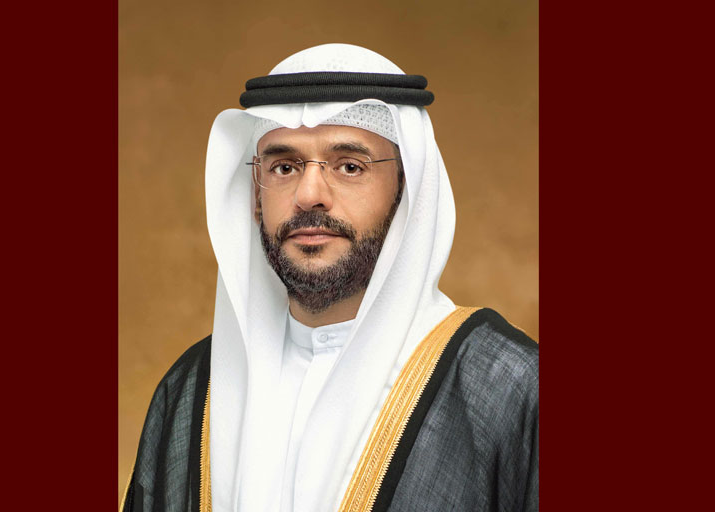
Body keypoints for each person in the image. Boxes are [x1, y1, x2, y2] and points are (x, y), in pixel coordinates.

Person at [123, 43, 538, 512]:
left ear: (407, 191)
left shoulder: (507, 387)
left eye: (349, 167)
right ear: (255, 196)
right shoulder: (193, 388)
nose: (309, 194)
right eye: (284, 167)